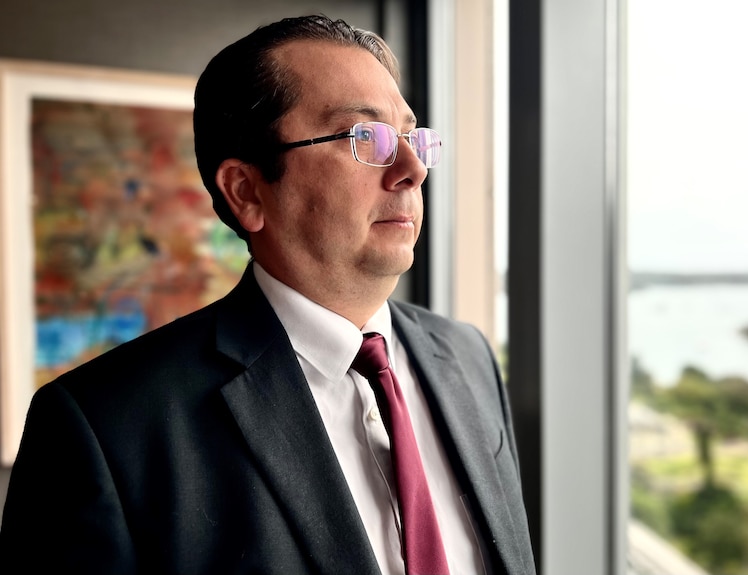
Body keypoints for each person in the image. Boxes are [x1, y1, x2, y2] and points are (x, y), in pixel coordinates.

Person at [0, 15, 535, 575]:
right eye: (365, 138)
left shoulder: (467, 357)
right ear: (247, 190)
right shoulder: (106, 430)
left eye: (412, 136)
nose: (412, 169)